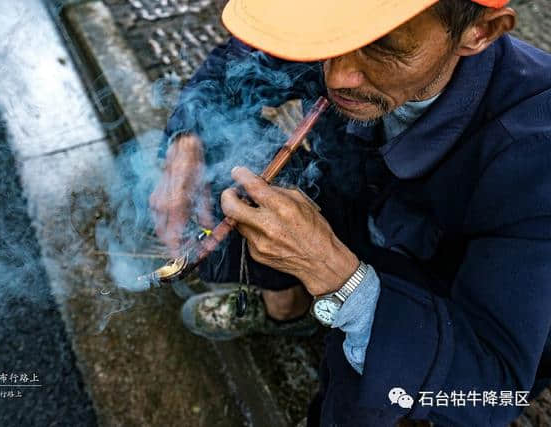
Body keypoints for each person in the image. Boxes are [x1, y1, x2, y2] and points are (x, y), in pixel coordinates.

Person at [149, 0, 551, 425]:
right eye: (332, 38)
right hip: (355, 209)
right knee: (216, 173)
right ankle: (287, 306)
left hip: (434, 306)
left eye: (382, 46)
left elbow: (492, 391)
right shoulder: (330, 32)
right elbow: (238, 62)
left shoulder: (534, 152)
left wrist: (337, 279)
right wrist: (188, 136)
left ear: (479, 33)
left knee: (366, 394)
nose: (336, 76)